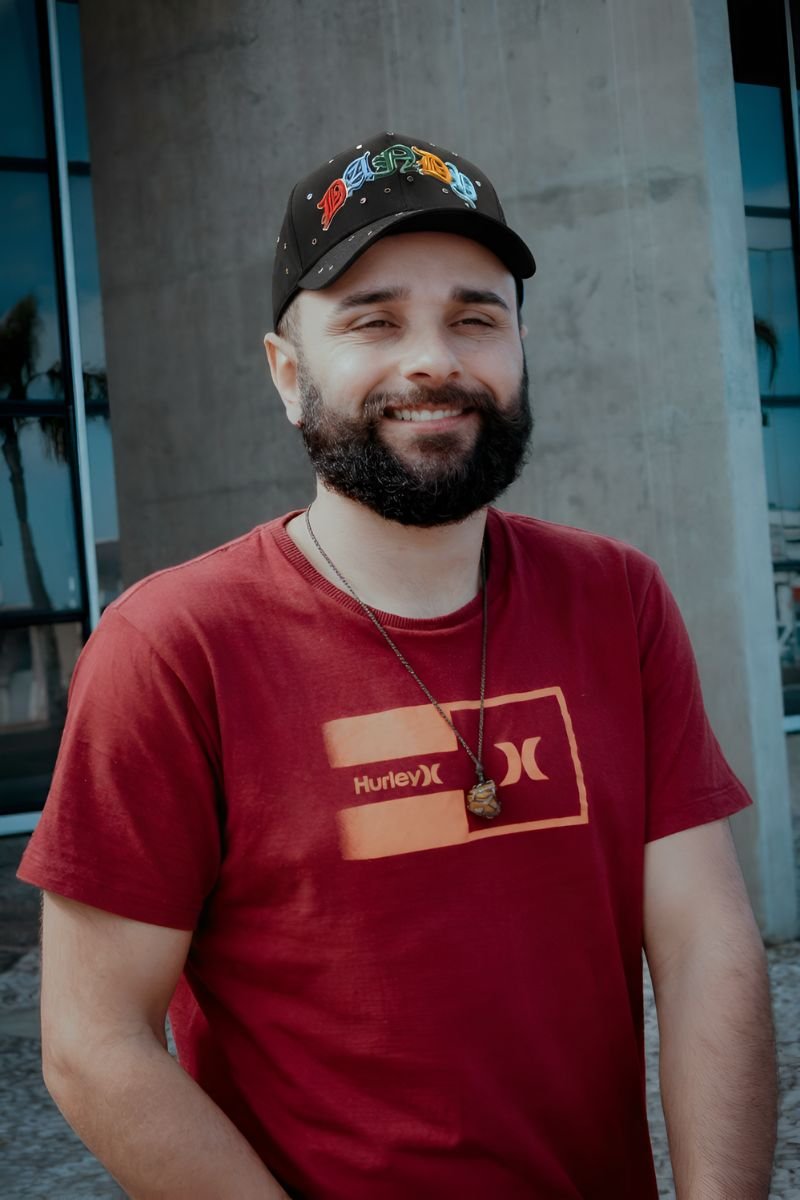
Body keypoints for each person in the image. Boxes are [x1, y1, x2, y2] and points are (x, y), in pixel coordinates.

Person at [19, 132, 776, 1199]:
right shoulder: (172, 647)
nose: (433, 360)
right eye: (372, 321)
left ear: (517, 349)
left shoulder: (617, 601)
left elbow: (706, 947)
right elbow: (94, 1044)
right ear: (288, 373)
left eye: (474, 318)